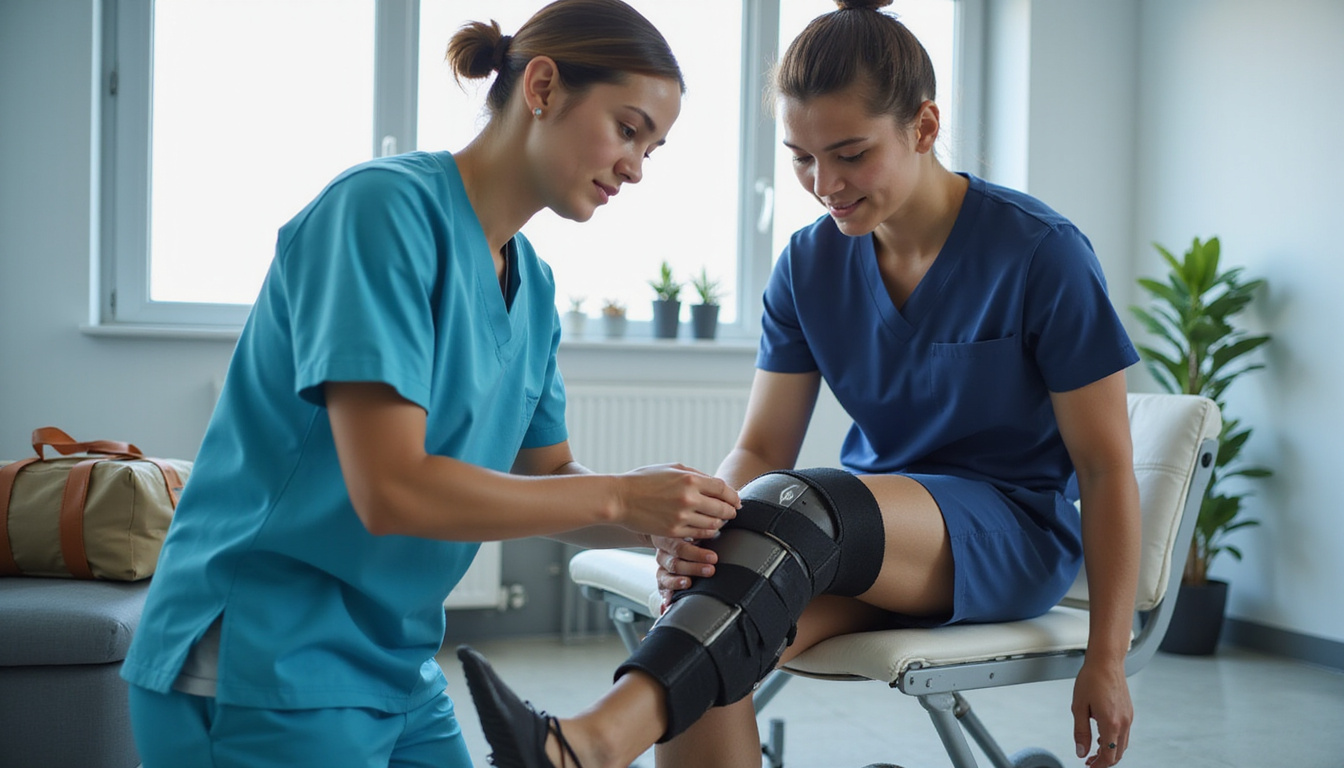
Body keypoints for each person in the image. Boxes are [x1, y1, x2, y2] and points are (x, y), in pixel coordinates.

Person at [455, 1, 1142, 767]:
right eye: (802, 158)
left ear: (923, 126)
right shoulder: (809, 264)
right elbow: (757, 446)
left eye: (850, 153)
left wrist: (1107, 656)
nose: (825, 184)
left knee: (802, 503)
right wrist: (701, 534)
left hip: (1008, 537)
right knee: (714, 619)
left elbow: (1107, 469)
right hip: (862, 536)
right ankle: (580, 747)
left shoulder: (1040, 253)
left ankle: (590, 741)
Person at [117, 2, 743, 766]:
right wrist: (620, 496)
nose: (636, 167)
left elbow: (547, 476)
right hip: (264, 655)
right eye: (627, 128)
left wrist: (656, 523)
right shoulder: (380, 213)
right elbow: (392, 490)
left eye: (654, 148)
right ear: (541, 86)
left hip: (396, 665)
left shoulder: (534, 287)